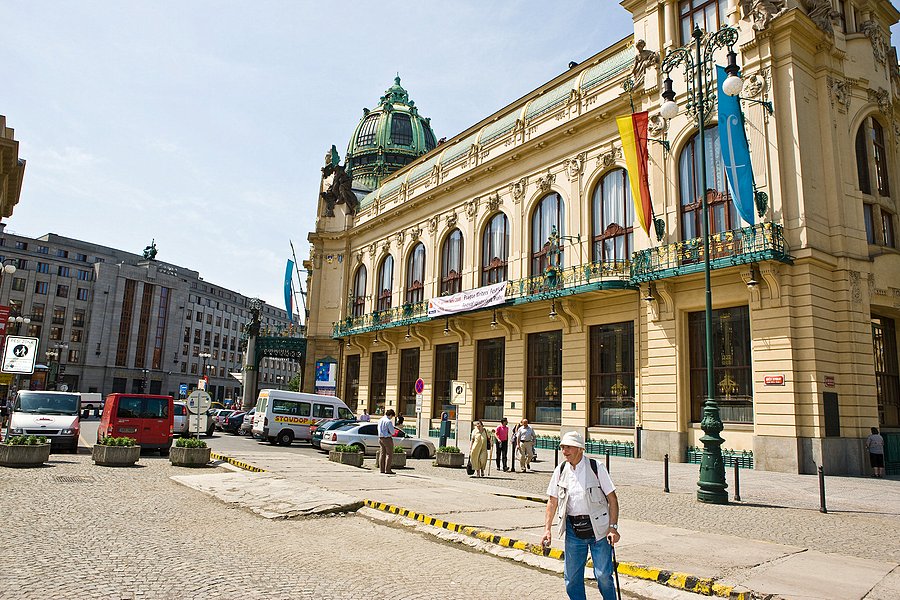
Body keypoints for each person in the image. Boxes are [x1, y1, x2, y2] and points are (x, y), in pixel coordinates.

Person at [542, 431, 620, 600]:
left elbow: (612, 499)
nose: (564, 451)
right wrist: (547, 529)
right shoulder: (560, 470)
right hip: (573, 530)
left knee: (603, 576)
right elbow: (552, 501)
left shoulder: (596, 467)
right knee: (571, 579)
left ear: (580, 449)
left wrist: (613, 528)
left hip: (599, 529)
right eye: (563, 447)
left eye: (568, 447)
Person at [377, 409, 396, 475]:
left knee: (382, 454)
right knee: (389, 454)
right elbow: (393, 432)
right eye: (392, 416)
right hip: (387, 438)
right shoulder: (388, 421)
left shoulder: (380, 420)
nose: (391, 418)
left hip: (380, 438)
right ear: (390, 415)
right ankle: (388, 469)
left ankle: (381, 469)